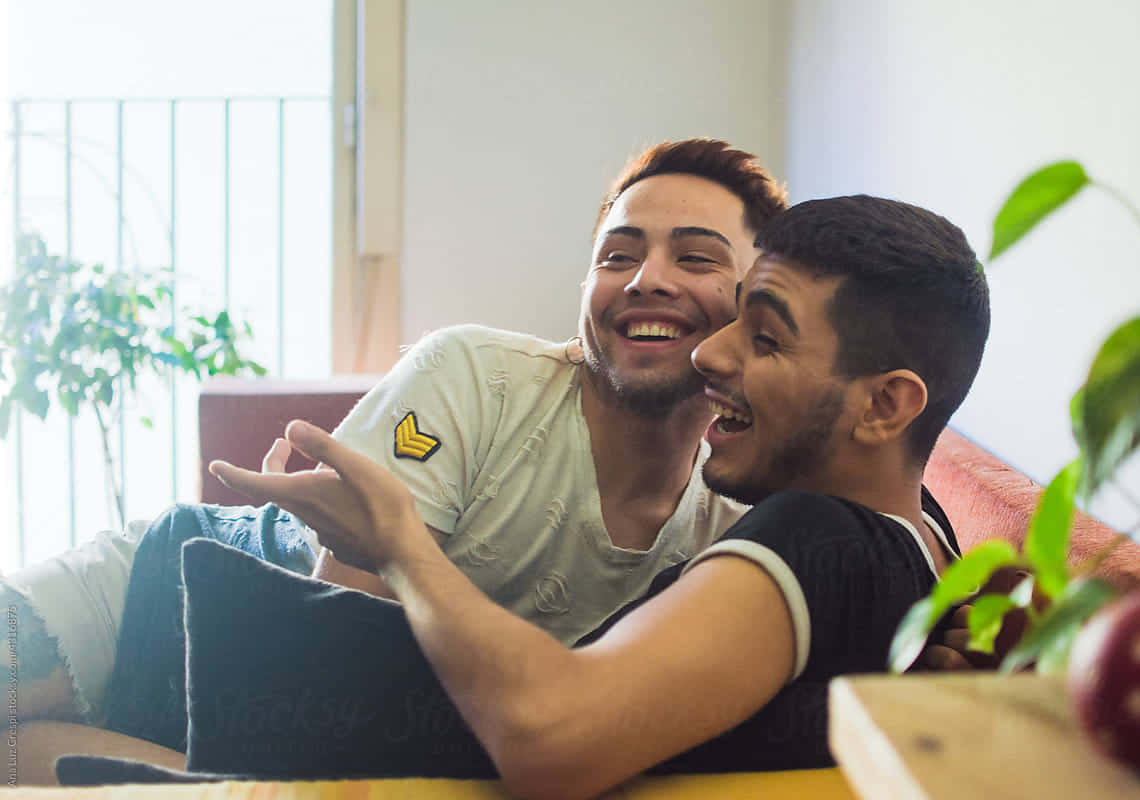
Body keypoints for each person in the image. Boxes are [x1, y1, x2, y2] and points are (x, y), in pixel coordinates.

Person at [6, 139, 790, 780]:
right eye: (618, 256)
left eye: (696, 259)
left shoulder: (735, 518)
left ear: (761, 299)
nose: (647, 279)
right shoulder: (476, 377)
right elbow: (329, 668)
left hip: (265, 747)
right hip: (173, 592)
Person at [186, 192, 988, 796]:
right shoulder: (923, 549)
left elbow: (552, 736)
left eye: (766, 339)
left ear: (887, 406)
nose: (710, 354)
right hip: (209, 610)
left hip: (234, 687)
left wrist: (399, 542)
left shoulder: (819, 536)